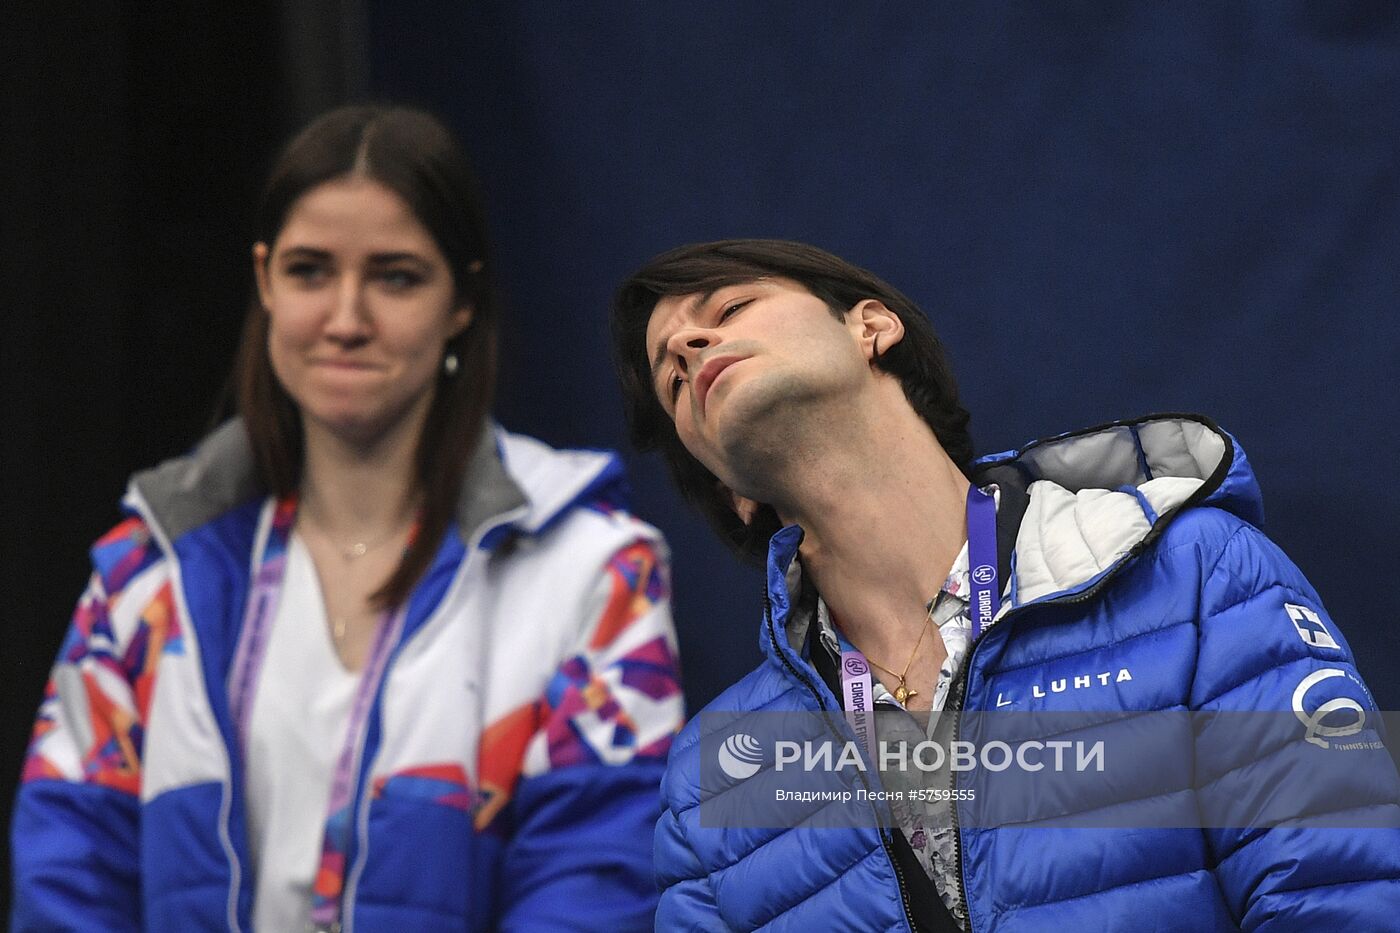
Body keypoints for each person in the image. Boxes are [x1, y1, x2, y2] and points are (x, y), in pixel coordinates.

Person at [12, 105, 683, 932]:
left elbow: (591, 890)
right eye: (309, 271)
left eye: (395, 275)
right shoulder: (146, 567)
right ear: (264, 280)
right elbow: (69, 867)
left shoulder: (592, 570)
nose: (345, 319)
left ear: (462, 301)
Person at [610, 239, 1400, 931]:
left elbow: (1346, 889)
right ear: (728, 490)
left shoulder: (1197, 574)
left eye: (730, 305)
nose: (688, 345)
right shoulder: (707, 782)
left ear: (871, 326)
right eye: (671, 378)